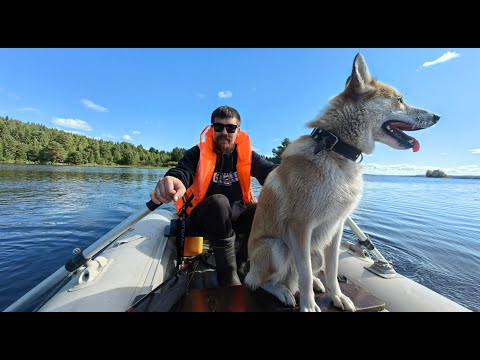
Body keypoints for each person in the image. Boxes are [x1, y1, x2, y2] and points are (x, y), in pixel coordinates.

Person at [151, 105, 277, 287]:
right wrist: (173, 178)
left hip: (234, 215)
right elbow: (182, 170)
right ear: (212, 129)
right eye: (218, 127)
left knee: (265, 209)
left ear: (238, 131)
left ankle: (242, 263)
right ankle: (228, 275)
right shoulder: (198, 152)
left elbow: (271, 172)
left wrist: (292, 175)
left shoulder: (247, 155)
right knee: (219, 202)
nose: (224, 132)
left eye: (231, 128)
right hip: (205, 216)